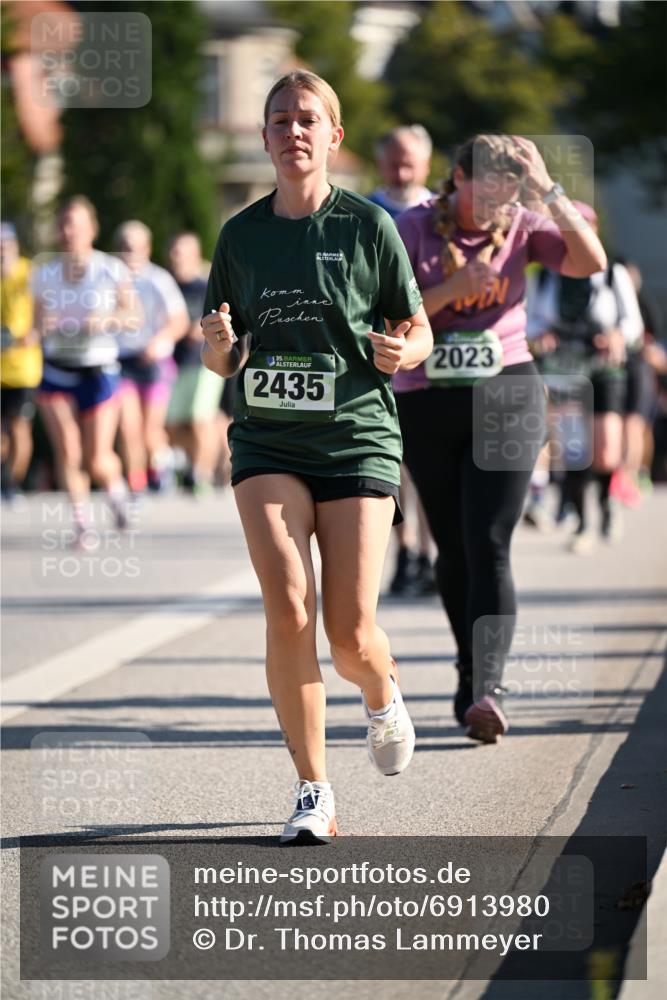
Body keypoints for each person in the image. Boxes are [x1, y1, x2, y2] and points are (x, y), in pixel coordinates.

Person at [200, 71, 432, 843]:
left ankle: (381, 693)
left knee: (350, 635)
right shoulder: (240, 236)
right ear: (264, 136)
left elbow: (418, 328)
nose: (292, 131)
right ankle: (313, 791)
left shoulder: (367, 226)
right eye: (279, 120)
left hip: (356, 434)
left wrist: (403, 350)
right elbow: (222, 358)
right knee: (288, 606)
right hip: (267, 439)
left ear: (333, 136)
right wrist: (218, 347)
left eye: (307, 119)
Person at [394, 135, 607, 742]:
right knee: (453, 550)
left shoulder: (524, 224)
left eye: (510, 190)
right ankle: (469, 673)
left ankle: (489, 687)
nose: (497, 201)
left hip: (507, 394)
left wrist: (547, 188)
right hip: (427, 400)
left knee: (488, 541)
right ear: (457, 178)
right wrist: (452, 291)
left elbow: (591, 260)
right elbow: (386, 318)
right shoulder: (412, 228)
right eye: (486, 187)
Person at [528, 204, 644, 550]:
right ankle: (582, 523)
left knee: (605, 451)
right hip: (564, 366)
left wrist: (618, 336)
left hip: (603, 365)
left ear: (593, 229)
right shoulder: (544, 275)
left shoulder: (612, 273)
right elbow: (530, 319)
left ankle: (608, 503)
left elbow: (633, 323)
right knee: (574, 449)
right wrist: (541, 334)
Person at [32, 197, 141, 539]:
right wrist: (41, 327)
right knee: (68, 449)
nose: (69, 232)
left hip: (98, 370)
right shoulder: (44, 272)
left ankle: (117, 494)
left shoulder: (110, 269)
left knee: (96, 458)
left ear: (92, 229)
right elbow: (35, 324)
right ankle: (82, 524)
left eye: (76, 225)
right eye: (63, 225)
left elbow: (134, 316)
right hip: (56, 369)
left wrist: (106, 319)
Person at [368, 125, 437, 595]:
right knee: (395, 462)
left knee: (427, 463)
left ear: (427, 163)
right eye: (393, 162)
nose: (401, 170)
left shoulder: (441, 214)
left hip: (432, 350)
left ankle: (429, 554)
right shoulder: (366, 212)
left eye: (409, 162)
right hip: (381, 351)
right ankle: (404, 550)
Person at [114, 221, 189, 493]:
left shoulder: (159, 279)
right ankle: (136, 482)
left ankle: (162, 465)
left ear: (147, 248)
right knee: (128, 426)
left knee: (149, 430)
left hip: (155, 363)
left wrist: (158, 343)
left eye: (136, 246)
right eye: (125, 246)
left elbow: (179, 321)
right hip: (123, 361)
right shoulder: (111, 278)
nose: (130, 251)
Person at [166, 232, 223, 495]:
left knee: (201, 420)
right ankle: (189, 465)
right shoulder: (167, 286)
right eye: (173, 251)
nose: (176, 257)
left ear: (195, 255)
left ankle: (202, 474)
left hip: (204, 363)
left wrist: (198, 329)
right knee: (174, 423)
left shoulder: (206, 286)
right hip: (173, 363)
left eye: (181, 252)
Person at [1, 222, 42, 500]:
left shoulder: (30, 274)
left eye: (5, 245)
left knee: (19, 429)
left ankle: (12, 484)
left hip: (24, 369)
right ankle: (4, 481)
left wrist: (35, 332)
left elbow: (46, 310)